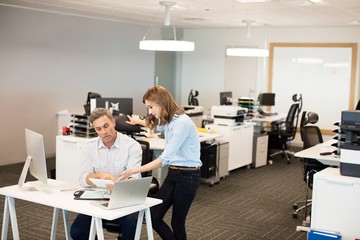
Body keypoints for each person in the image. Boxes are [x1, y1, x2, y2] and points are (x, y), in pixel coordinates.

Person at [119, 85, 202, 240]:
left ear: (161, 103)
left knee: (177, 223)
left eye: (151, 107)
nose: (150, 111)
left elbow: (163, 160)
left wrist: (133, 171)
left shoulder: (181, 122)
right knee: (154, 217)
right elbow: (159, 127)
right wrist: (139, 121)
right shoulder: (171, 120)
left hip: (188, 176)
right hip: (174, 173)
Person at [70, 108, 142, 240]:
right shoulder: (89, 148)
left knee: (132, 226)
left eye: (106, 126)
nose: (104, 132)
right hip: (97, 200)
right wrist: (98, 176)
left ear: (113, 122)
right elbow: (83, 179)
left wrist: (123, 184)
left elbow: (135, 176)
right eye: (98, 129)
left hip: (123, 200)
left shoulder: (132, 146)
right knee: (77, 232)